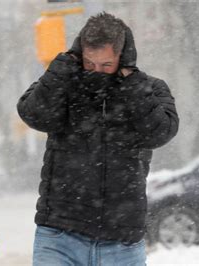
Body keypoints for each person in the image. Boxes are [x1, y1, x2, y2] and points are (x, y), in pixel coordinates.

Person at [17, 12, 179, 266]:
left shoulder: (149, 88)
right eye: (89, 63)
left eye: (106, 65)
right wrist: (63, 67)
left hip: (122, 242)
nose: (96, 71)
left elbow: (159, 132)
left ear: (123, 57)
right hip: (60, 235)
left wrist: (131, 83)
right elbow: (34, 114)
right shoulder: (66, 83)